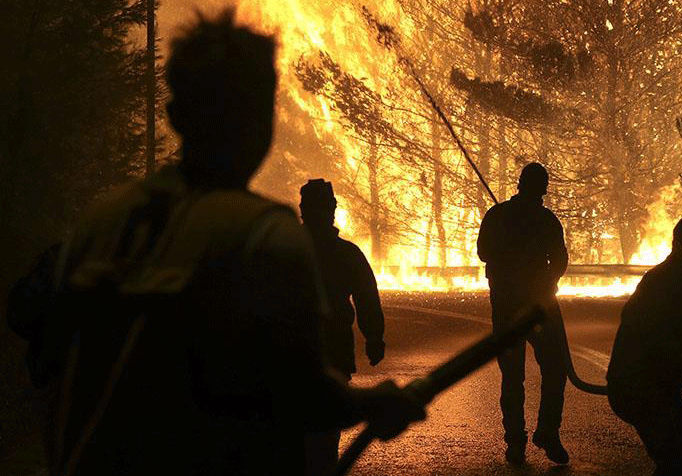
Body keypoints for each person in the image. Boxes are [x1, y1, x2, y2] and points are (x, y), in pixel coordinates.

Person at [7, 10, 424, 476]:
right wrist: (376, 403)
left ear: (174, 115)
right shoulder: (267, 235)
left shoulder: (105, 219)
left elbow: (35, 331)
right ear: (264, 119)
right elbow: (303, 394)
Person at [606, 216, 682, 476]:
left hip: (662, 391)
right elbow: (649, 334)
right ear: (679, 246)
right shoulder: (660, 283)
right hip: (638, 389)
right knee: (680, 463)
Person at [477, 162, 570, 465]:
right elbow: (559, 261)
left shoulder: (497, 216)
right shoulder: (546, 220)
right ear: (543, 188)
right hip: (541, 307)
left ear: (519, 184)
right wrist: (548, 282)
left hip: (505, 306)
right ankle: (548, 432)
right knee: (555, 368)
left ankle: (515, 442)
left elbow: (483, 253)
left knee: (512, 376)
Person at [298, 178, 386, 475]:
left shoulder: (283, 249)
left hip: (291, 350)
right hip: (332, 348)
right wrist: (373, 338)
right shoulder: (346, 253)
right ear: (332, 210)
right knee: (324, 433)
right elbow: (367, 298)